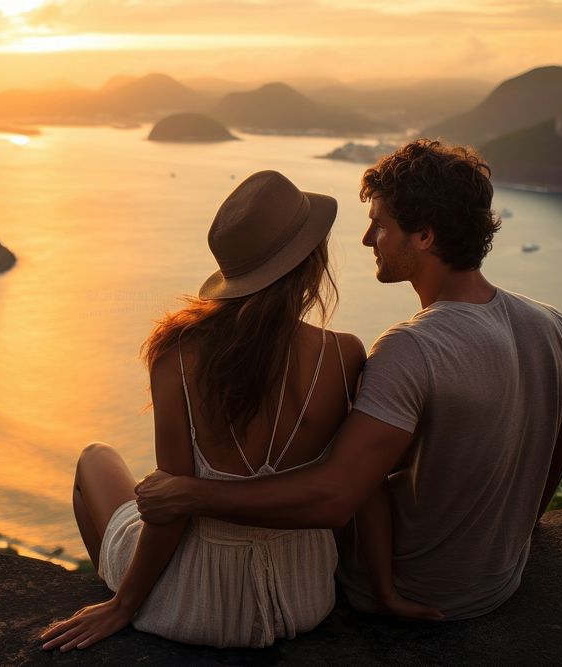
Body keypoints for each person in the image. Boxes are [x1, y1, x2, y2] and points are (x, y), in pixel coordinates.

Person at [135, 140, 562, 620]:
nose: (368, 239)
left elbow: (337, 495)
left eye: (381, 224)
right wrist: (514, 534)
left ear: (424, 237)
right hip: (500, 579)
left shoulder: (411, 348)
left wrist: (193, 493)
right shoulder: (555, 328)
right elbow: (554, 458)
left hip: (411, 585)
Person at [41, 170, 437, 653]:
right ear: (311, 264)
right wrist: (384, 592)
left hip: (192, 600)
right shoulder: (344, 354)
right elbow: (367, 486)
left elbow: (170, 501)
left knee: (96, 459)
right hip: (301, 597)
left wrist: (124, 606)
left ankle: (112, 587)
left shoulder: (178, 352)